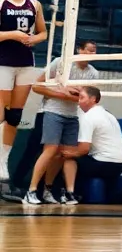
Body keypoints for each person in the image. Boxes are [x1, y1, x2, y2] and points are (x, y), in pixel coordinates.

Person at [24, 40, 99, 205]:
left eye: (95, 51)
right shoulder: (60, 63)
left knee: (61, 155)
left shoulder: (94, 73)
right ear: (79, 49)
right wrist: (63, 94)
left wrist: (74, 95)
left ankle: (47, 191)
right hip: (53, 112)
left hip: (73, 116)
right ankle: (31, 191)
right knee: (49, 151)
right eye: (89, 50)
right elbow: (37, 87)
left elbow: (89, 101)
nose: (92, 54)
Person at [1, 0, 48, 184]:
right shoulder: (1, 3)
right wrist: (13, 34)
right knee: (2, 114)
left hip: (26, 63)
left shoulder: (35, 4)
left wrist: (33, 39)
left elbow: (43, 33)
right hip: (4, 63)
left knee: (14, 117)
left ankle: (2, 162)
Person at [58, 87, 122, 204]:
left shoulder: (88, 117)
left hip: (102, 164)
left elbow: (84, 149)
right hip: (119, 165)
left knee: (69, 159)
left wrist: (65, 152)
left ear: (93, 99)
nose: (79, 101)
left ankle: (70, 194)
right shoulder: (108, 114)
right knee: (111, 197)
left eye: (82, 98)